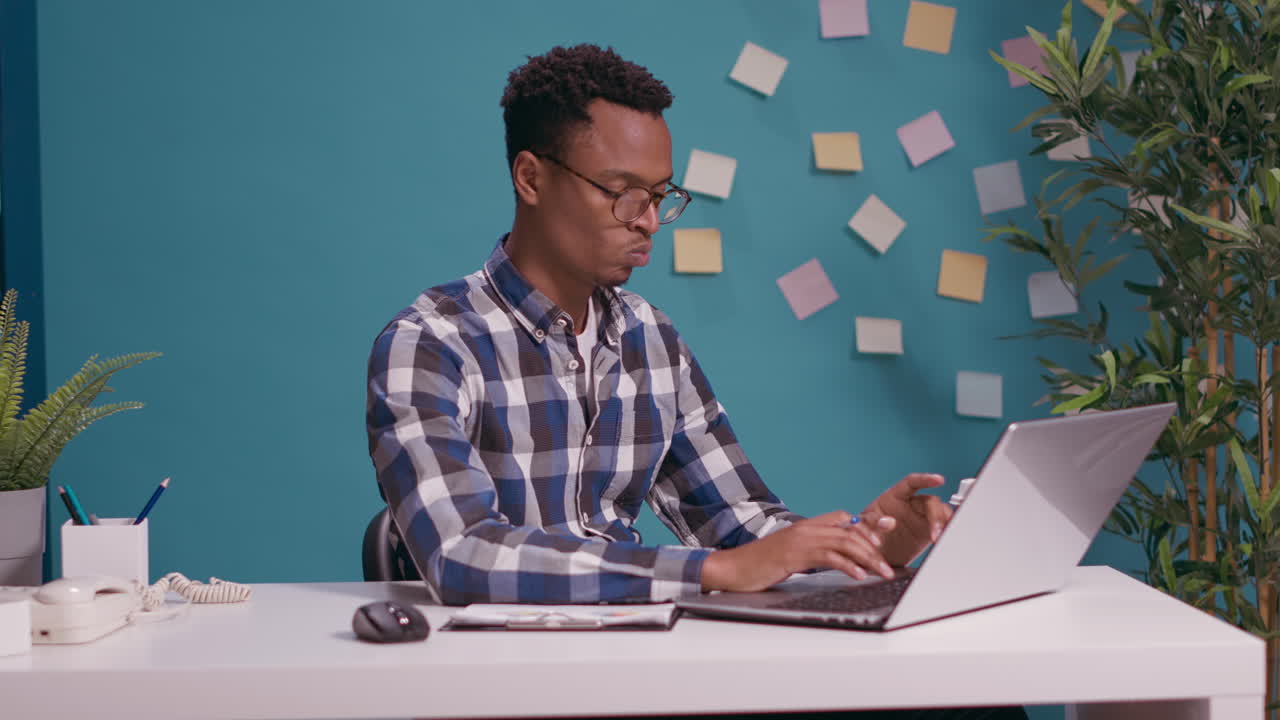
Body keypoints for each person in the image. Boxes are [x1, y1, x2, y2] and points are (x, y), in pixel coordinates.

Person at [366, 45, 1026, 719]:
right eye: (622, 193)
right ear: (531, 178)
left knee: (976, 701)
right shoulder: (430, 343)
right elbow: (461, 553)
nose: (649, 220)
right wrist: (711, 572)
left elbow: (739, 525)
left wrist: (863, 544)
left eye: (660, 196)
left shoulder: (649, 337)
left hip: (647, 668)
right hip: (513, 683)